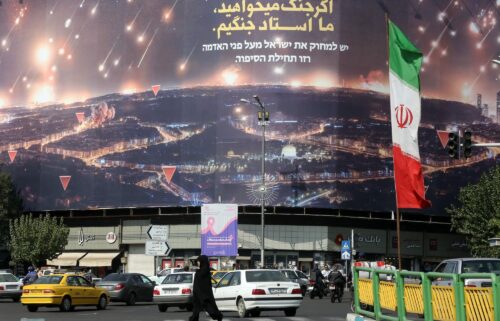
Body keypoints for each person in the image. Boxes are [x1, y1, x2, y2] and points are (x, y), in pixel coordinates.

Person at [189, 255, 223, 321]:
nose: (198, 262)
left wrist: (197, 267)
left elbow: (201, 280)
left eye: (199, 261)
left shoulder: (205, 270)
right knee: (196, 308)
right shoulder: (200, 269)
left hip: (204, 294)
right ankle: (193, 319)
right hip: (197, 293)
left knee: (209, 307)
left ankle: (219, 316)